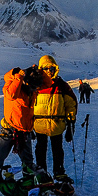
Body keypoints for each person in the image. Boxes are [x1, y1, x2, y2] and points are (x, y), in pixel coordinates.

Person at [0, 65, 48, 196]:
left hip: (25, 132)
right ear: (27, 82)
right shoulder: (13, 86)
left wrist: (40, 71)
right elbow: (10, 95)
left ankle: (28, 187)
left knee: (28, 163)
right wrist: (19, 76)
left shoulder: (30, 90)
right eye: (34, 87)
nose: (36, 90)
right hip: (10, 131)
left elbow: (48, 83)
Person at [31, 55, 78, 184]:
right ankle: (42, 173)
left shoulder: (61, 86)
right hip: (39, 124)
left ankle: (59, 172)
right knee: (41, 149)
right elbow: (28, 105)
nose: (48, 70)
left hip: (57, 124)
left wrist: (71, 123)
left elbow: (71, 104)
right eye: (45, 68)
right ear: (41, 69)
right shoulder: (35, 85)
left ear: (55, 68)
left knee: (57, 149)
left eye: (51, 68)